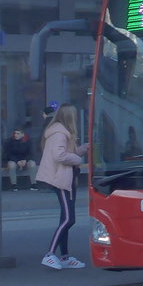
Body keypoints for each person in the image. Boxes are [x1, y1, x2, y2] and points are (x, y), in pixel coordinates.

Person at [35, 103, 89, 270]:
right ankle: (50, 255)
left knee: (65, 219)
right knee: (68, 219)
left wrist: (81, 150)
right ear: (70, 117)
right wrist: (78, 159)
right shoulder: (60, 134)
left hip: (65, 178)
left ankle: (64, 256)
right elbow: (60, 156)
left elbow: (65, 153)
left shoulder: (59, 132)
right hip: (61, 179)